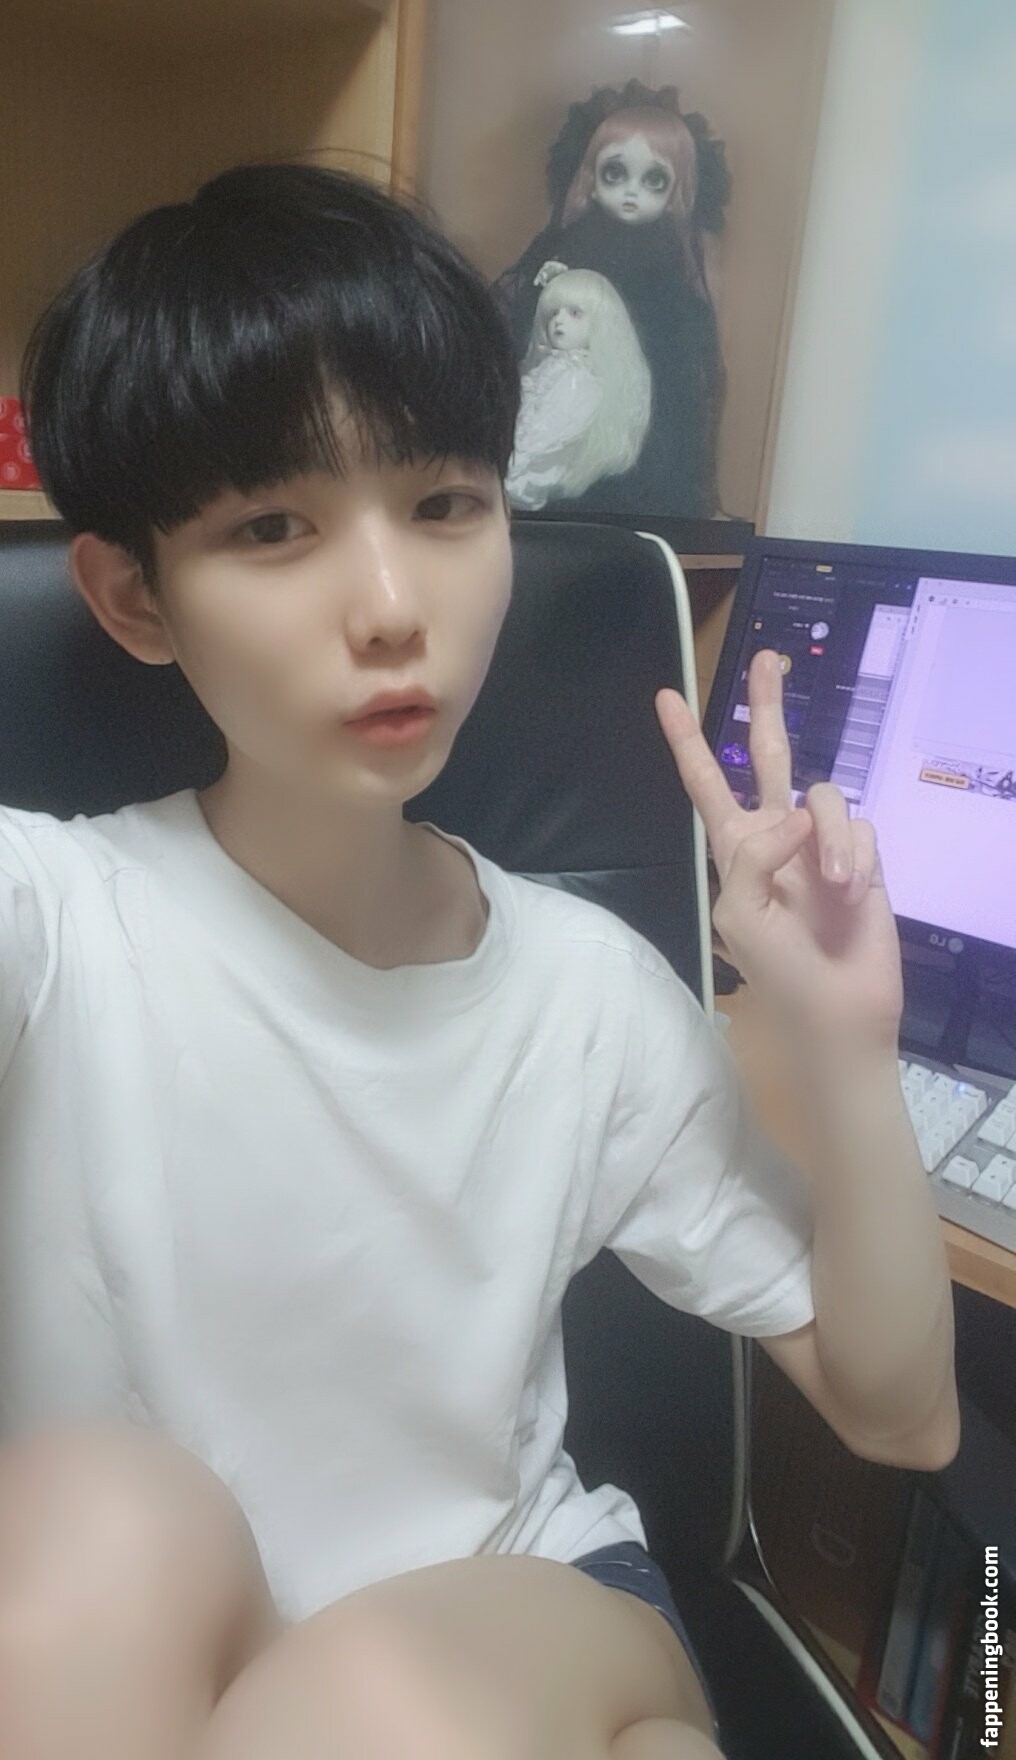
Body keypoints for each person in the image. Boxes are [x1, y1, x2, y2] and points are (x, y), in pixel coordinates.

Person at [0, 161, 958, 1760]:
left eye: (446, 504)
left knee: (369, 1702)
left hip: (526, 1620)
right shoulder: (53, 921)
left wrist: (847, 1045)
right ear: (131, 597)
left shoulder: (584, 995)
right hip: (185, 1657)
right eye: (274, 527)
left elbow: (903, 1414)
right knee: (86, 1525)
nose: (395, 608)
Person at [497, 82, 729, 520]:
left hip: (642, 439)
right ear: (589, 179)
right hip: (568, 401)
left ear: (677, 192)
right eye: (614, 173)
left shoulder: (668, 272)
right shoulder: (571, 247)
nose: (630, 192)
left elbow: (682, 372)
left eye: (654, 180)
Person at [504, 262, 652, 512]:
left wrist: (511, 463)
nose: (558, 321)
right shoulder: (551, 370)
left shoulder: (578, 382)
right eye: (553, 313)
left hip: (534, 472)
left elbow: (547, 433)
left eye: (574, 313)